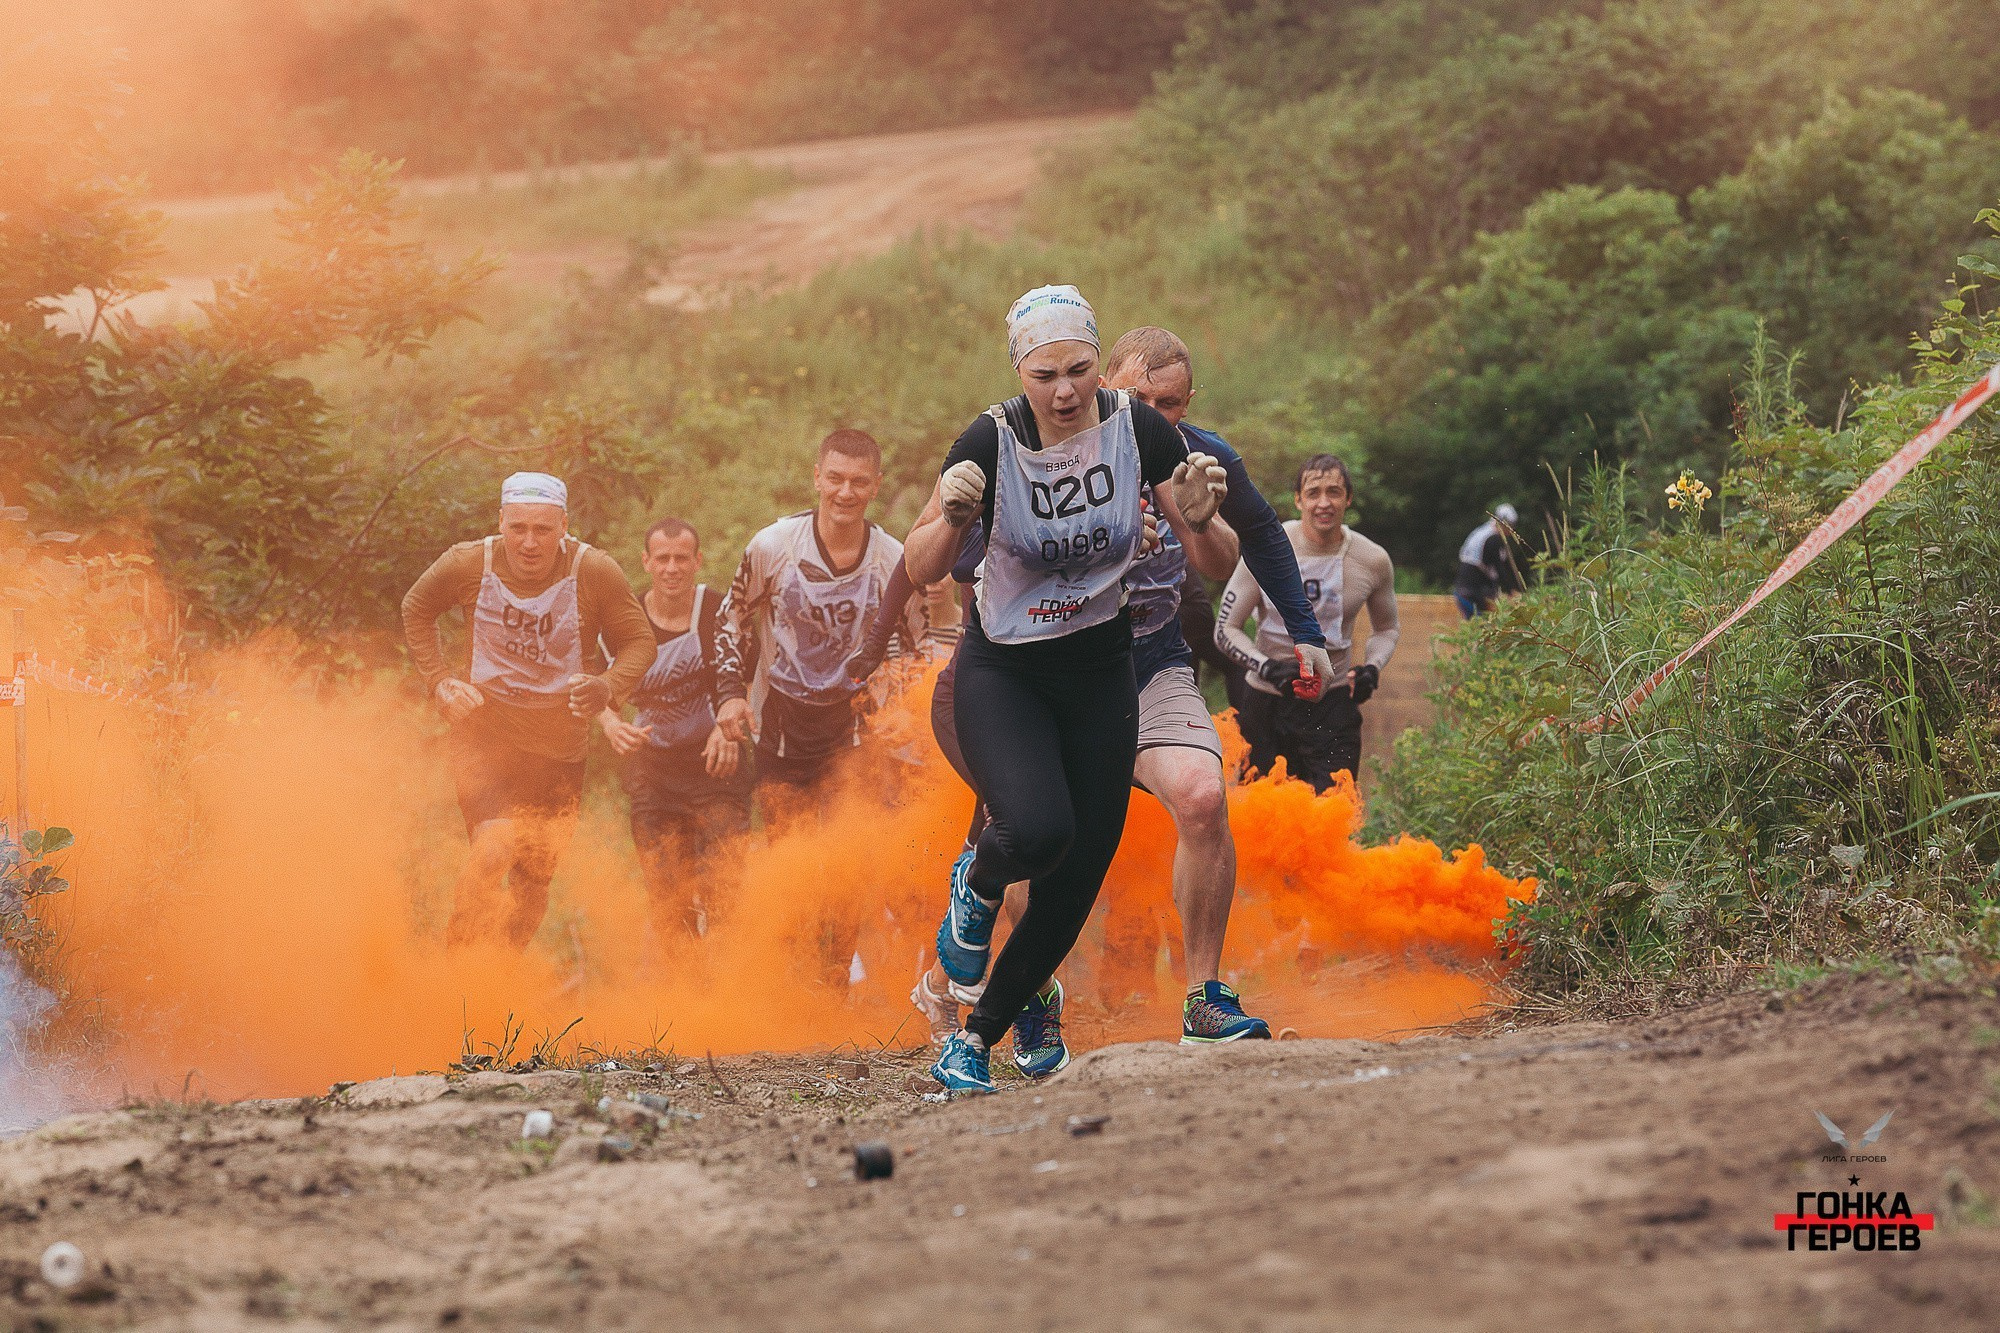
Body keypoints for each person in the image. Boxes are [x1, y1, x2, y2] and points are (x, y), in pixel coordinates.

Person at [901, 284, 1267, 1096]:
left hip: (1102, 670)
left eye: (1079, 369)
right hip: (1007, 673)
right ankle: (976, 883)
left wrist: (1206, 519)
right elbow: (918, 566)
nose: (1065, 390)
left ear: (1099, 366)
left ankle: (976, 1039)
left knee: (1074, 879)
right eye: (1044, 374)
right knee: (1035, 829)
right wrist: (950, 518)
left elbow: (1216, 559)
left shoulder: (1135, 428)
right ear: (1019, 372)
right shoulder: (990, 439)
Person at [401, 472, 654, 949]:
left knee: (533, 883)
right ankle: (455, 960)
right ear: (501, 522)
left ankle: (503, 976)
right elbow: (416, 607)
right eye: (518, 528)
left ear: (564, 526)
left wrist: (607, 687)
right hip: (485, 734)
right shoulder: (468, 562)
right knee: (494, 844)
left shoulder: (593, 570)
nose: (530, 543)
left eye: (543, 530)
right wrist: (440, 682)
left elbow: (639, 642)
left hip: (559, 749)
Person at [712, 429, 922, 816]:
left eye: (859, 482)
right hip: (779, 723)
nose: (845, 493)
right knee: (787, 849)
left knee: (846, 855)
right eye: (835, 478)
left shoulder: (892, 560)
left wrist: (904, 706)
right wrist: (729, 693)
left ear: (876, 486)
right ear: (817, 478)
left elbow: (916, 645)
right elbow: (730, 619)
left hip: (856, 725)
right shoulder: (774, 547)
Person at [596, 516, 749, 950]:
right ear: (646, 562)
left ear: (698, 561)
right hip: (654, 773)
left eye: (682, 558)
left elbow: (751, 674)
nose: (672, 568)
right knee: (668, 899)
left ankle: (730, 997)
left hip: (716, 766)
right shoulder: (621, 625)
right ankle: (683, 1003)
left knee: (725, 893)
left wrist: (730, 722)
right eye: (662, 558)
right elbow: (596, 689)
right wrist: (612, 725)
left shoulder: (718, 611)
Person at [1217, 454, 1399, 793]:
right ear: (1298, 499)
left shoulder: (1372, 559)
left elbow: (1386, 629)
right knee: (1264, 819)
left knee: (1332, 812)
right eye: (1313, 492)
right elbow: (1226, 628)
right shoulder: (1266, 549)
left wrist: (1372, 668)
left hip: (1333, 703)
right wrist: (1268, 667)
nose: (1323, 503)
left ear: (1349, 498)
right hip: (1267, 700)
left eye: (1334, 492)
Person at [1452, 503, 1523, 617]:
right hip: (1472, 589)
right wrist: (1512, 591)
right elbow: (1499, 568)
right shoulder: (1493, 538)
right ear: (1502, 523)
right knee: (1483, 623)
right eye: (1510, 526)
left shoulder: (1484, 531)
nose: (1511, 530)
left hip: (1466, 587)